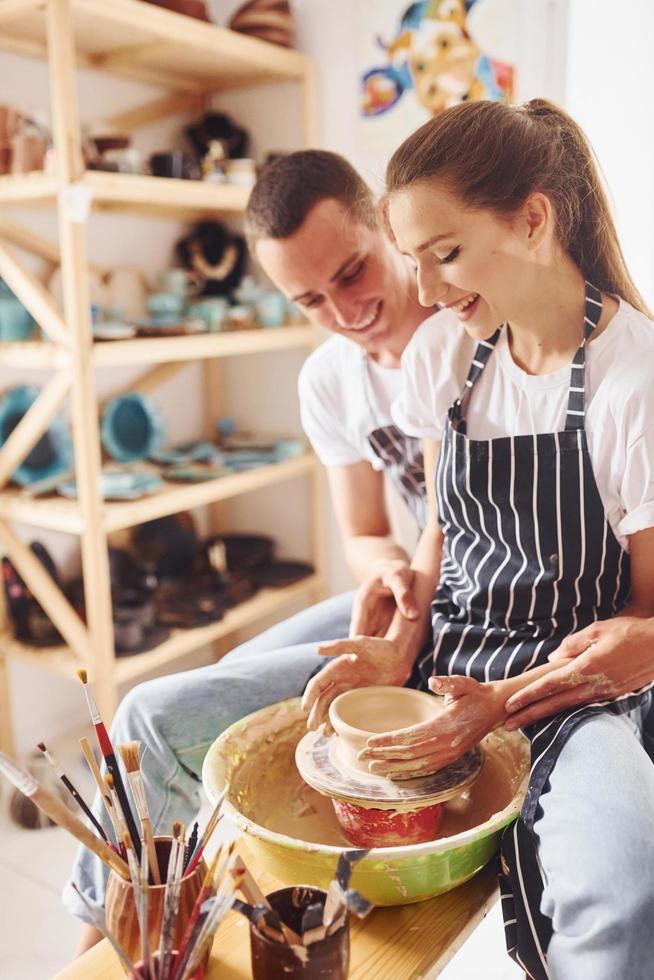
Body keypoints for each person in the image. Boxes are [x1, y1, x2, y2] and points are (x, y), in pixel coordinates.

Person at [65, 150, 473, 948]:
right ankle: (122, 941)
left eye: (353, 273)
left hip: (465, 611)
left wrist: (404, 620)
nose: (345, 309)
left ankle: (107, 950)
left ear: (388, 225)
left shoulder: (463, 333)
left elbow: (452, 523)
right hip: (406, 599)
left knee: (150, 714)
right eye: (310, 299)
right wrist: (382, 571)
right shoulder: (329, 377)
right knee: (186, 704)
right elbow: (362, 531)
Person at [303, 99, 654, 980]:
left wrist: (498, 704)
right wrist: (397, 641)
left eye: (446, 254)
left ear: (533, 220)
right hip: (451, 647)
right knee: (164, 716)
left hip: (567, 687)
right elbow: (440, 532)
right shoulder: (446, 356)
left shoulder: (633, 379)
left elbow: (645, 623)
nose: (423, 291)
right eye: (413, 261)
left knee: (627, 883)